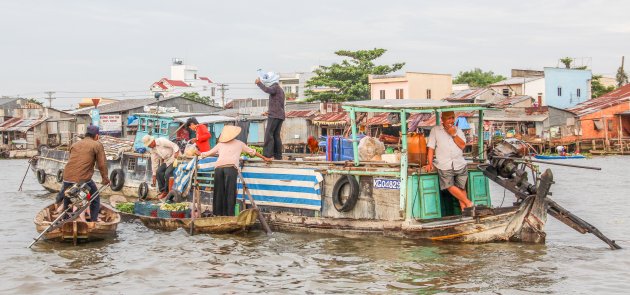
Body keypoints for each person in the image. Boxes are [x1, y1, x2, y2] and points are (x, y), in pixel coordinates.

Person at [198, 125, 272, 216]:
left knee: (219, 192)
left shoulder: (220, 144)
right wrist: (265, 158)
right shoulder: (239, 143)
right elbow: (252, 152)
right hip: (230, 168)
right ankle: (229, 214)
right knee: (230, 192)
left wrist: (199, 154)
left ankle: (218, 214)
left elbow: (206, 154)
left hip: (218, 168)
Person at [56, 125, 110, 221]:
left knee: (67, 197)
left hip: (67, 176)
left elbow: (73, 161)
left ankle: (64, 218)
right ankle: (93, 221)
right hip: (82, 179)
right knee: (95, 197)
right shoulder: (97, 145)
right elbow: (102, 165)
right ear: (97, 136)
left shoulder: (75, 144)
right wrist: (105, 179)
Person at [422, 111, 473, 211]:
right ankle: (469, 203)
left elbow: (462, 146)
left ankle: (465, 212)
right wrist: (429, 163)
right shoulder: (435, 130)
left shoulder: (458, 130)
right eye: (448, 118)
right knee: (448, 186)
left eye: (452, 118)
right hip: (444, 164)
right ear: (442, 119)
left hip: (460, 164)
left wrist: (454, 134)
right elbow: (431, 148)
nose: (451, 120)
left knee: (461, 189)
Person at [255, 71, 285, 160]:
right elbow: (278, 104)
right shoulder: (280, 89)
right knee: (276, 135)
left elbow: (268, 90)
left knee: (269, 134)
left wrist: (259, 83)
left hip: (274, 115)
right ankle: (278, 155)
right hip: (280, 115)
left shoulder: (275, 87)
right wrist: (268, 111)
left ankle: (267, 155)